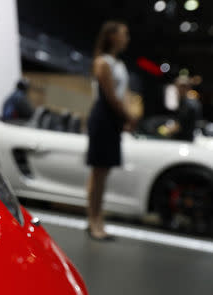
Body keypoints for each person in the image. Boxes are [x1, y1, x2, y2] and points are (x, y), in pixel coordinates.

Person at [86, 21, 136, 240]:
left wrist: (127, 116)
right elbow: (109, 96)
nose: (127, 38)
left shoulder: (119, 64)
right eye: (124, 34)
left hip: (113, 119)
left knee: (102, 174)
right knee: (98, 173)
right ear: (112, 36)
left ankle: (96, 218)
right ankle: (94, 221)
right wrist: (127, 115)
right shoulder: (102, 62)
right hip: (104, 118)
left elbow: (123, 94)